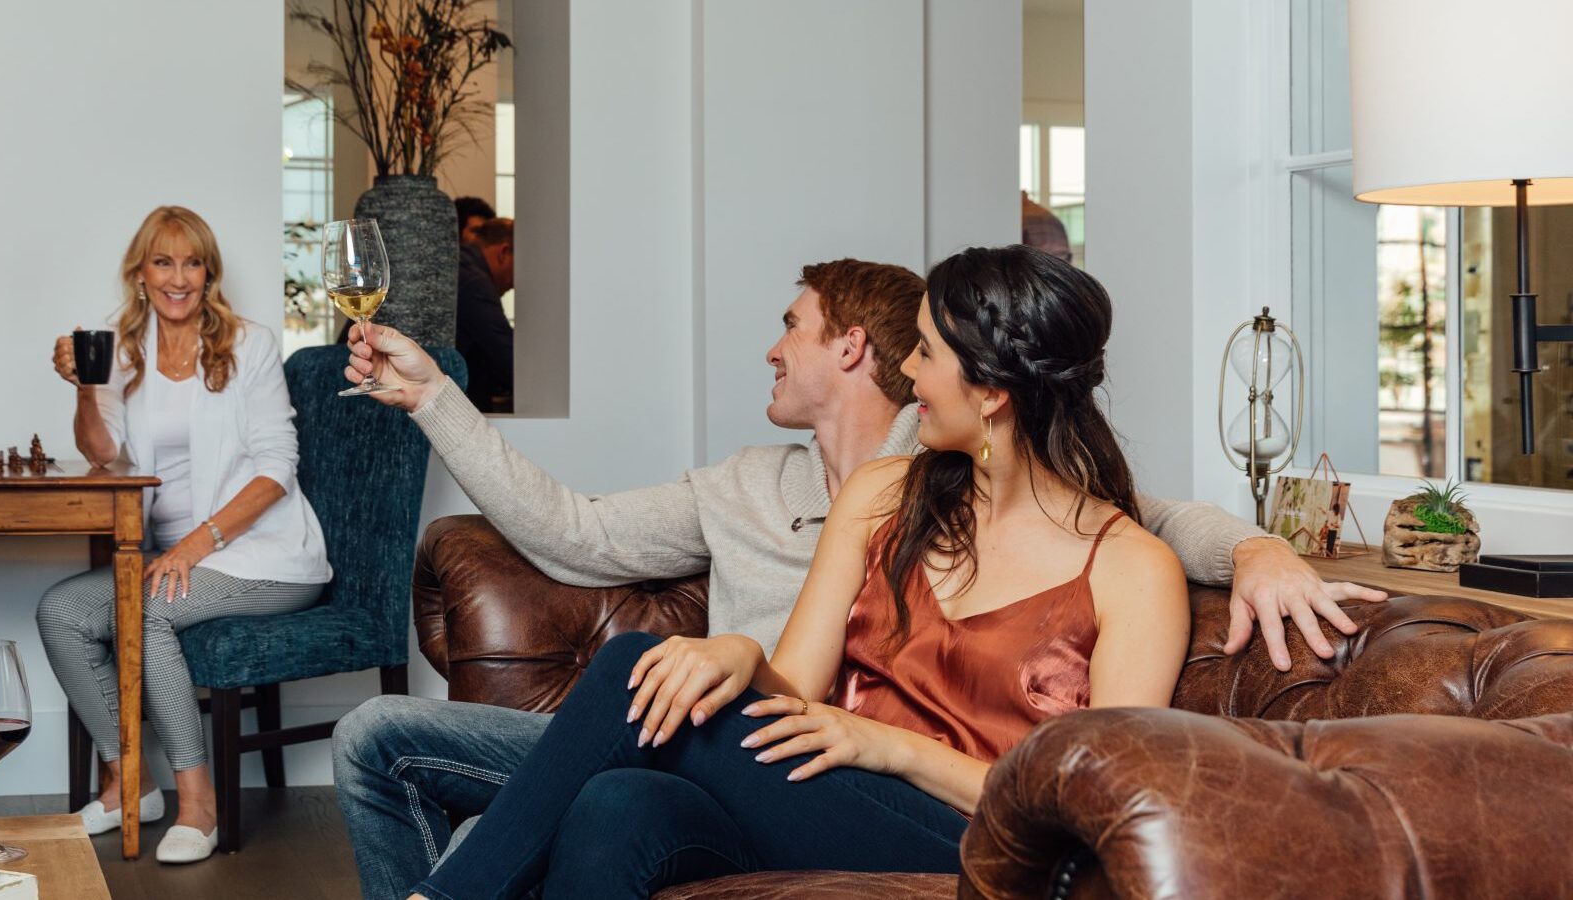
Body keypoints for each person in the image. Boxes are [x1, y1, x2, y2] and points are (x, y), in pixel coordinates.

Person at [332, 255, 1385, 900]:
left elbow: (1088, 799)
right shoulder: (887, 497)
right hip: (822, 787)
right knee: (614, 805)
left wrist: (1258, 543)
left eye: (924, 355)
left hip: (980, 832)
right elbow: (788, 681)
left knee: (636, 674)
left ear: (999, 390)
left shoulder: (1132, 567)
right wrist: (744, 653)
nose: (908, 374)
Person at [34, 205, 330, 864]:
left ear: (208, 272)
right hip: (172, 560)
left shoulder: (246, 344)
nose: (178, 277)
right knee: (59, 610)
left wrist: (196, 544)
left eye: (191, 262)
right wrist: (86, 385)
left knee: (145, 606)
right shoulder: (119, 348)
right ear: (141, 272)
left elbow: (278, 467)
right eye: (163, 261)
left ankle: (199, 804)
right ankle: (129, 782)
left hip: (265, 555)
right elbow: (103, 453)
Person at [456, 217, 514, 412]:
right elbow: (508, 361)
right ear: (504, 253)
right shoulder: (475, 283)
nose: (514, 284)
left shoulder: (462, 264)